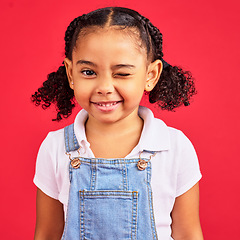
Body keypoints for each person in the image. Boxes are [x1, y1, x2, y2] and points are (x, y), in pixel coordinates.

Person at [32, 7, 203, 240]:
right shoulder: (55, 148)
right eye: (88, 72)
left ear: (150, 75)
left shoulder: (175, 147)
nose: (104, 87)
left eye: (121, 74)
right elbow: (47, 234)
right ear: (71, 74)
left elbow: (188, 233)